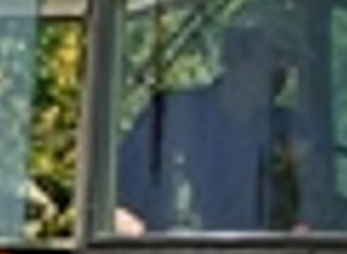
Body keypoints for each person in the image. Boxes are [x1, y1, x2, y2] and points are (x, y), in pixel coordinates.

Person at [113, 20, 308, 234]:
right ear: (235, 54)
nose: (283, 72)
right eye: (275, 56)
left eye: (290, 62)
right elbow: (115, 209)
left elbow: (319, 212)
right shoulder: (171, 118)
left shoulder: (292, 130)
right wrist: (144, 242)